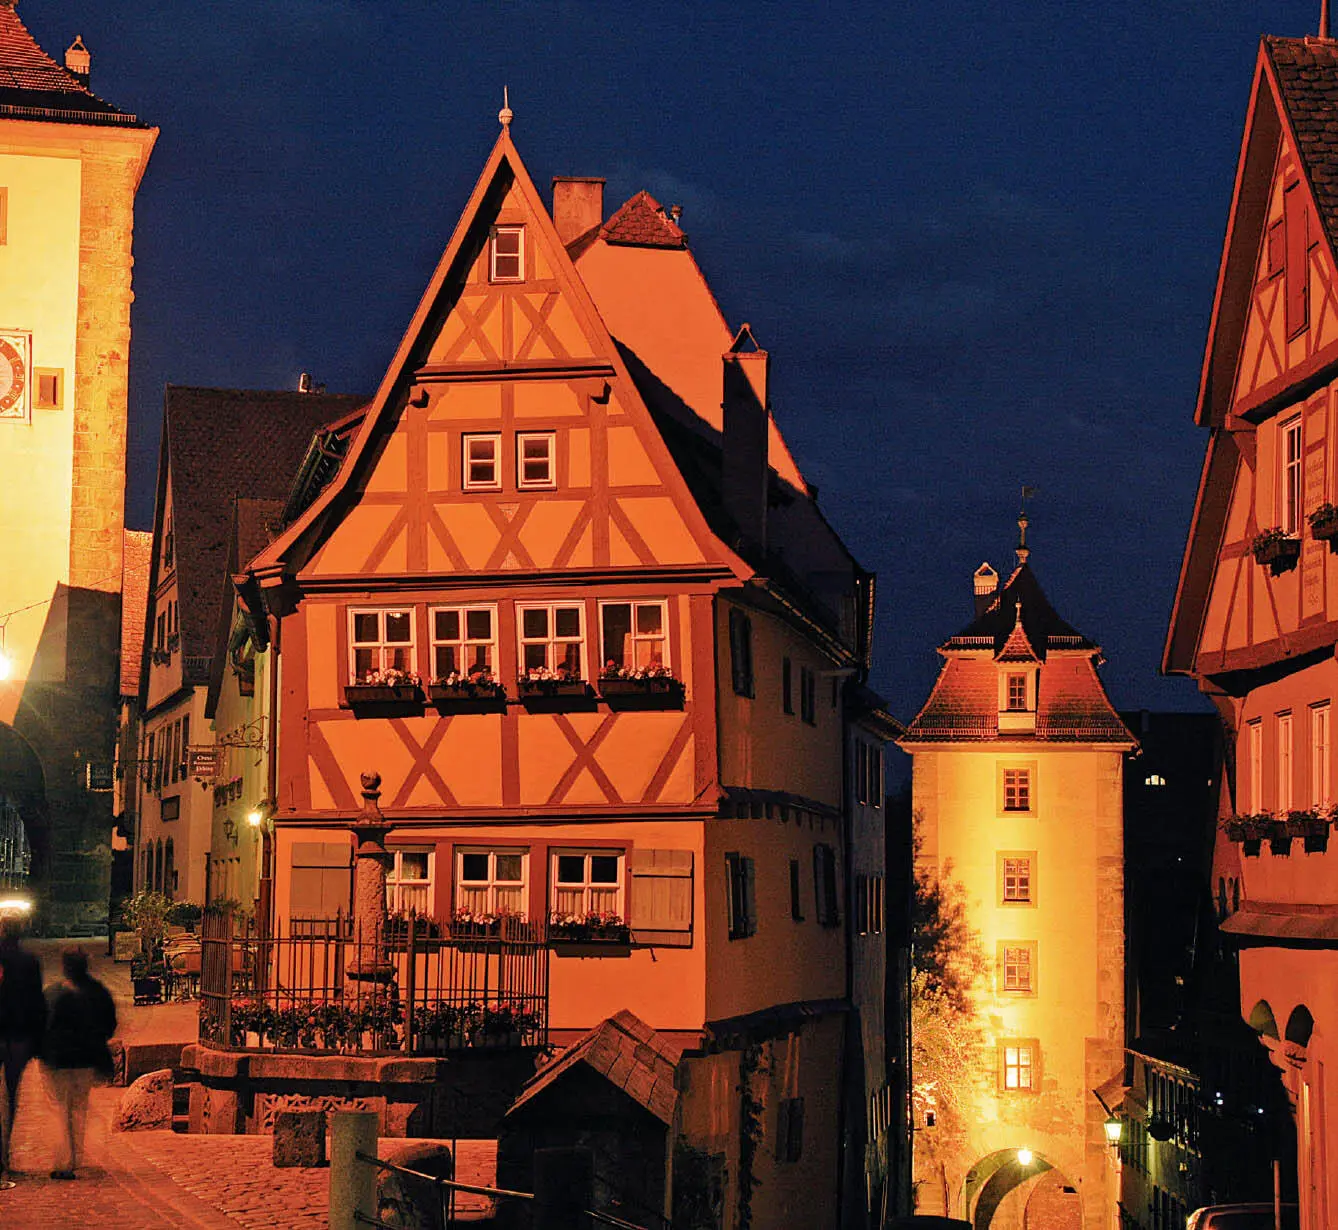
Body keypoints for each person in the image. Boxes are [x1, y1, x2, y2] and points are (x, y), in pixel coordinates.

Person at [42, 949, 116, 1180]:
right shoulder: (98, 992)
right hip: (85, 1059)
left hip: (58, 1060)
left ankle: (63, 1160)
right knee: (79, 1107)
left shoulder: (53, 994)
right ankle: (76, 1156)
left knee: (59, 1108)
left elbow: (42, 1024)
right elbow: (109, 1024)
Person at [0, 916, 44, 1174]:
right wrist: (38, 1041)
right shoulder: (29, 962)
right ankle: (5, 1155)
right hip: (19, 1035)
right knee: (11, 1095)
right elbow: (37, 1003)